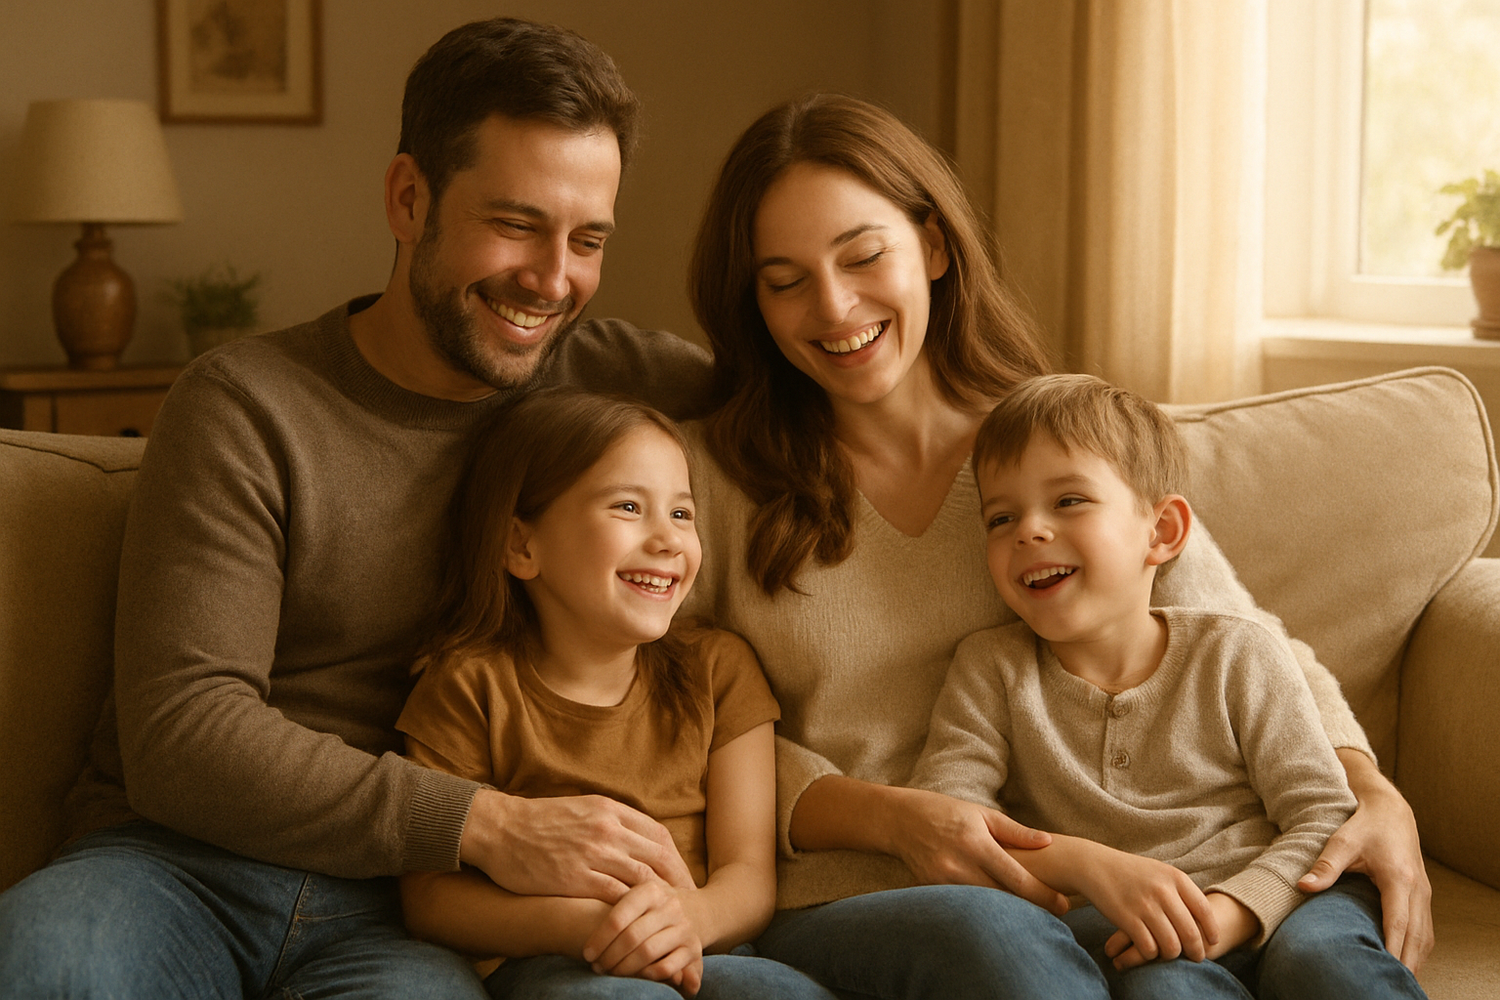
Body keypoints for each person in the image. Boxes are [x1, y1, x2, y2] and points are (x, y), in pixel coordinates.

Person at [0, 18, 719, 999]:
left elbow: (816, 391)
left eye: (586, 238)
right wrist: (489, 822)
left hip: (400, 915)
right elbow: (184, 734)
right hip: (171, 867)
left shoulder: (604, 394)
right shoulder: (244, 404)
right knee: (44, 964)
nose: (554, 280)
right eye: (515, 223)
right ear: (408, 197)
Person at [682, 92, 1433, 999]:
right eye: (784, 279)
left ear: (932, 245)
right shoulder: (706, 479)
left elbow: (1238, 636)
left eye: (863, 255)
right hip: (847, 891)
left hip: (1062, 885)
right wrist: (893, 819)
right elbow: (666, 713)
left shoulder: (1049, 449)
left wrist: (1372, 793)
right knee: (996, 937)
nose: (833, 305)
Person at [908, 373, 1427, 999]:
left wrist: (1234, 910)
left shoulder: (1237, 651)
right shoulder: (989, 669)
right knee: (1166, 993)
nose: (1030, 531)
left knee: (1326, 967)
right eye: (1001, 517)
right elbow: (958, 823)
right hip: (1145, 932)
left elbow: (1324, 816)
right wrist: (1087, 869)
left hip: (1294, 891)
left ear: (1161, 532)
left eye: (1069, 501)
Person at [396, 389, 835, 1000]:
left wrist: (691, 920)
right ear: (522, 545)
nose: (667, 540)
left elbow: (748, 875)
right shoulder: (470, 683)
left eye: (682, 514)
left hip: (705, 949)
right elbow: (429, 900)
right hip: (558, 960)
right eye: (629, 507)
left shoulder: (720, 669)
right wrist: (589, 927)